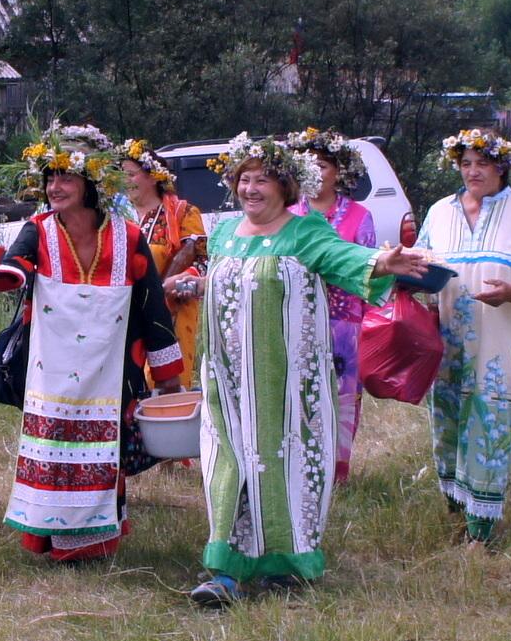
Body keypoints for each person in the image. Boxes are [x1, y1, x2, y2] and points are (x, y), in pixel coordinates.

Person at [180, 133, 428, 606]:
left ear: (286, 187)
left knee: (284, 464)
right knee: (227, 464)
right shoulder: (226, 233)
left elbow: (344, 257)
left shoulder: (306, 231)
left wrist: (381, 261)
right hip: (228, 383)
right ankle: (225, 571)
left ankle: (285, 563)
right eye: (243, 179)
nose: (250, 189)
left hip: (288, 384)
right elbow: (225, 284)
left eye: (262, 180)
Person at [0, 121, 184, 563]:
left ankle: (98, 543)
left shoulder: (129, 236)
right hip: (51, 369)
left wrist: (168, 378)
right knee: (54, 447)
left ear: (91, 183)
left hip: (113, 368)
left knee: (109, 449)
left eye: (65, 176)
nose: (55, 186)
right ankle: (49, 540)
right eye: (49, 177)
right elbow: (14, 271)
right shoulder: (38, 229)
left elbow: (152, 309)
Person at [415, 129, 511, 549]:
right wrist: (408, 282)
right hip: (444, 343)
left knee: (489, 424)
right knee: (446, 423)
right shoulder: (440, 211)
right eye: (465, 164)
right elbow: (421, 265)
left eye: (482, 163)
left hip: (499, 346)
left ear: (502, 166)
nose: (473, 172)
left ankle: (481, 531)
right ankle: (454, 514)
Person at [285, 128, 375, 483]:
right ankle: (301, 467)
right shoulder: (288, 213)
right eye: (308, 165)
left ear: (339, 171)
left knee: (342, 396)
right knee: (299, 390)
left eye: (323, 164)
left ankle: (337, 471)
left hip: (345, 323)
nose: (316, 172)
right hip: (296, 317)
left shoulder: (359, 216)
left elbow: (369, 272)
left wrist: (371, 328)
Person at [119, 140, 207, 389]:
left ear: (153, 176)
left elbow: (201, 260)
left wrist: (177, 281)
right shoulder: (114, 216)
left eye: (130, 174)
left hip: (171, 312)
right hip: (123, 313)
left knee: (166, 385)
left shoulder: (183, 213)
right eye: (120, 175)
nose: (125, 181)